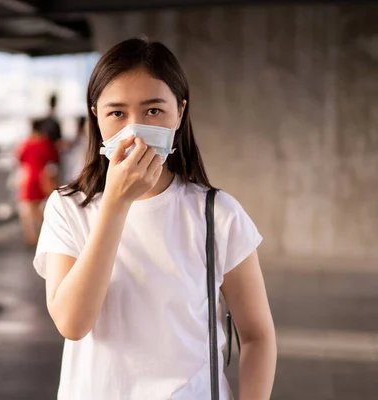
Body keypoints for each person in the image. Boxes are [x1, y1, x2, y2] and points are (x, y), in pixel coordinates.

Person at [33, 38, 276, 400]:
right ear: (95, 115)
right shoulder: (68, 208)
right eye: (117, 113)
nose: (134, 130)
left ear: (179, 113)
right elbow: (72, 322)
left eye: (153, 111)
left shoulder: (216, 214)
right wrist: (116, 204)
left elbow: (257, 335)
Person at [17, 119, 60, 246]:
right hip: (43, 177)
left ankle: (31, 236)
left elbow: (20, 159)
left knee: (29, 208)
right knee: (45, 207)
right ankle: (46, 232)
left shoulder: (25, 143)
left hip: (29, 177)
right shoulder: (46, 143)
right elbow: (54, 158)